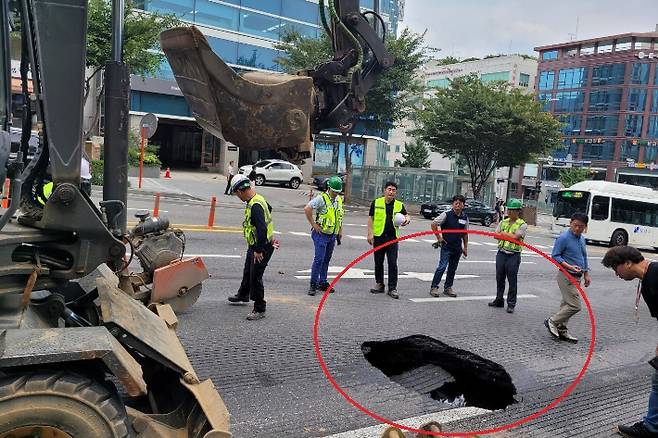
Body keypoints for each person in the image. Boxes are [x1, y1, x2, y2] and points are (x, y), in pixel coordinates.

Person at [601, 246, 658, 438]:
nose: (616, 275)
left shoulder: (655, 276)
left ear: (627, 263)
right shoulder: (649, 277)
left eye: (615, 268)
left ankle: (650, 428)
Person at [226, 174, 275, 320]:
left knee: (255, 276)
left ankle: (260, 308)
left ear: (240, 191)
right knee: (248, 270)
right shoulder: (257, 199)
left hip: (262, 246)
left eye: (236, 194)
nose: (237, 197)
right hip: (255, 244)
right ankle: (243, 294)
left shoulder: (255, 206)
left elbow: (262, 229)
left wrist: (259, 250)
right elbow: (270, 209)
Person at [544, 212, 591, 343]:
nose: (577, 229)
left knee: (566, 304)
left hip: (577, 277)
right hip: (566, 276)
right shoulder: (563, 238)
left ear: (585, 227)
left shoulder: (581, 239)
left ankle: (562, 329)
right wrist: (569, 267)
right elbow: (555, 256)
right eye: (575, 225)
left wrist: (586, 273)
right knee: (575, 306)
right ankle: (552, 321)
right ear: (570, 223)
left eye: (581, 227)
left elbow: (584, 256)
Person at [367, 181, 410, 299]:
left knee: (392, 263)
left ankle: (392, 288)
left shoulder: (399, 205)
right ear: (384, 190)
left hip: (392, 238)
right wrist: (370, 234)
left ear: (395, 192)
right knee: (378, 262)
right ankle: (380, 284)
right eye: (389, 189)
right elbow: (371, 218)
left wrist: (407, 220)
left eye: (393, 190)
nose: (391, 192)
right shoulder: (376, 202)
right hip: (379, 237)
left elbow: (407, 215)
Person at [304, 175, 344, 296]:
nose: (336, 194)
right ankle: (313, 284)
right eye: (334, 191)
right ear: (329, 188)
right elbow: (307, 208)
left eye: (338, 192)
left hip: (332, 235)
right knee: (319, 260)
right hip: (321, 235)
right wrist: (314, 224)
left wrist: (340, 230)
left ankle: (323, 282)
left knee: (326, 259)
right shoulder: (321, 198)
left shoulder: (338, 200)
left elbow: (339, 216)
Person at [488, 198, 527, 313]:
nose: (509, 212)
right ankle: (499, 300)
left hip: (513, 255)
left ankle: (511, 303)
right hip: (501, 253)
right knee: (499, 278)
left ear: (518, 211)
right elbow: (495, 235)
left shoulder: (522, 224)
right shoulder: (503, 221)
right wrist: (507, 235)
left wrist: (503, 234)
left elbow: (516, 237)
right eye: (509, 210)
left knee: (512, 280)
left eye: (512, 210)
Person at [429, 194, 468, 298]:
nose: (458, 205)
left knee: (452, 269)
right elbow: (433, 224)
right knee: (442, 267)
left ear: (463, 205)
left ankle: (448, 287)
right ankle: (434, 287)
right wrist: (439, 238)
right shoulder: (446, 215)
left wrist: (465, 247)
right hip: (447, 247)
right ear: (453, 204)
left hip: (457, 248)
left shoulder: (464, 217)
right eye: (456, 203)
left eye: (460, 203)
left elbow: (465, 233)